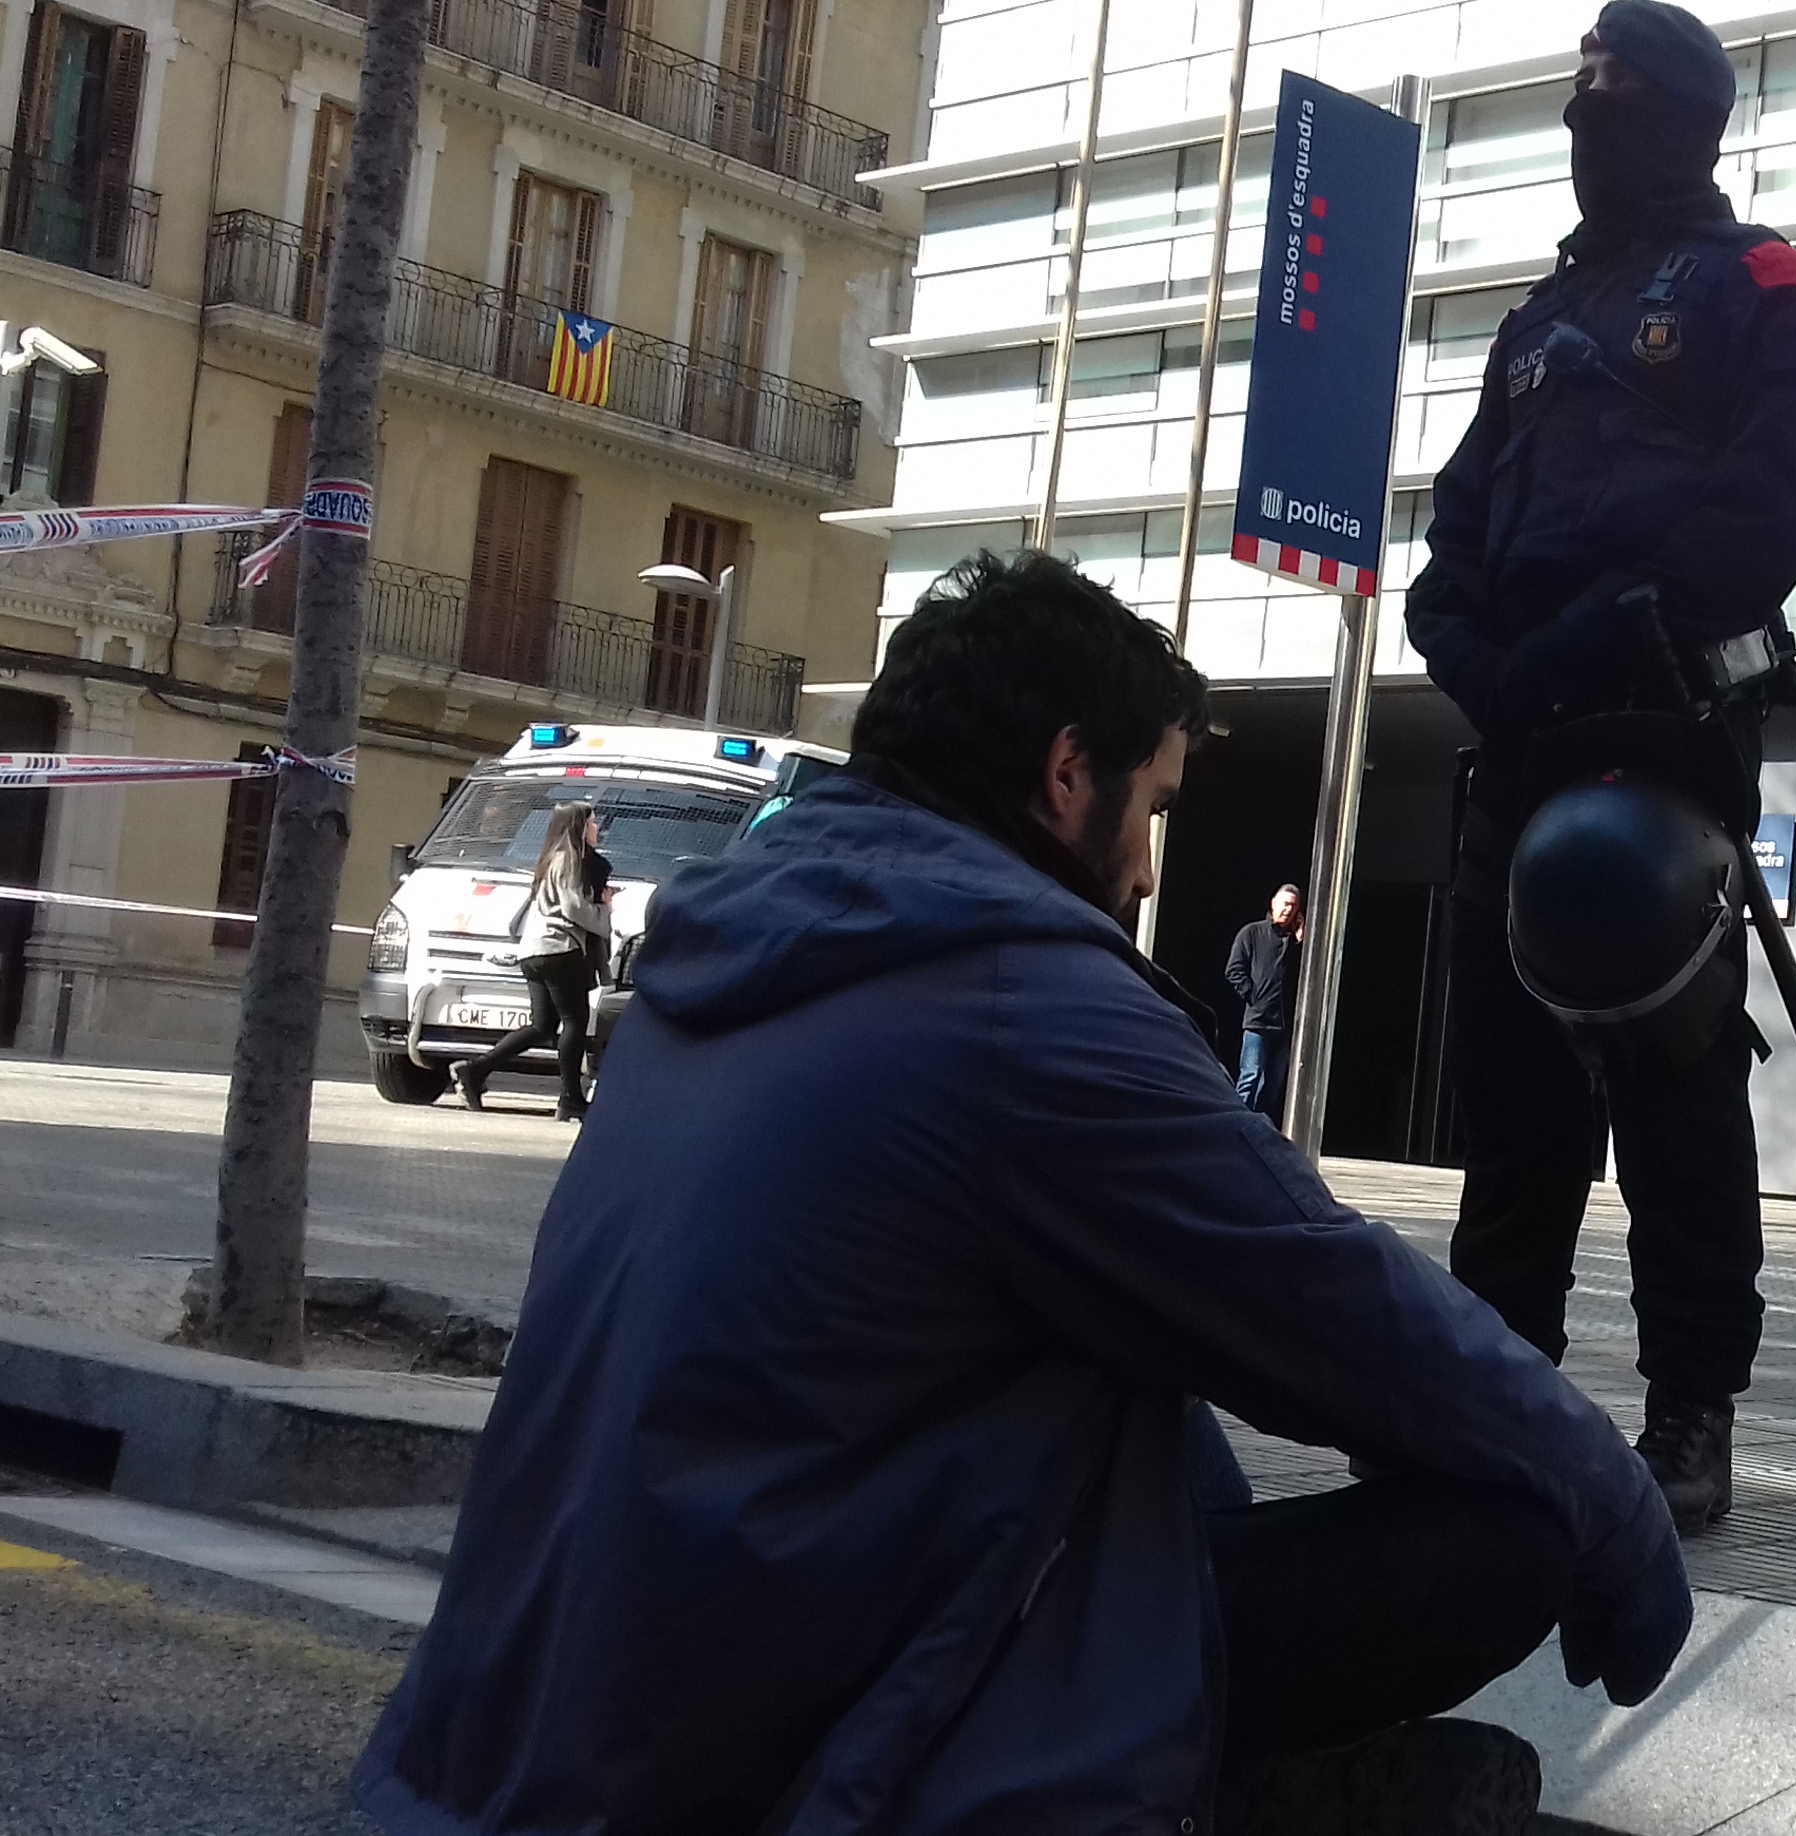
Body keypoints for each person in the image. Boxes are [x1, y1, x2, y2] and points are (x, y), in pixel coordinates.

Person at [355, 552, 1691, 1836]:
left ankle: (1213, 1778)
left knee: (1127, 1361)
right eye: (1152, 808)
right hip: (776, 1752)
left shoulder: (732, 958)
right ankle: (1211, 1801)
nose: (1149, 869)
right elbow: (1345, 1307)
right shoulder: (1025, 1008)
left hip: (538, 1720)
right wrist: (1621, 1514)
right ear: (1065, 773)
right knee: (1511, 1540)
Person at [1403, 0, 1796, 1536]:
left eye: (1610, 92)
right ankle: (1497, 1399)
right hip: (1520, 739)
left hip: (1661, 735)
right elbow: (1457, 539)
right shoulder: (1535, 326)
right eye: (1577, 90)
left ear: (1678, 112)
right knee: (1511, 1099)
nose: (1582, 118)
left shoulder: (1768, 289)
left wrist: (1612, 630)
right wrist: (1480, 660)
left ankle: (1691, 1416)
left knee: (1675, 1093)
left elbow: (1772, 510)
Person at [456, 804, 610, 1121]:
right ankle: (570, 1098)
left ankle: (474, 1070)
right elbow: (573, 907)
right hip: (560, 949)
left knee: (542, 1026)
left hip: (534, 950)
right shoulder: (569, 858)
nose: (597, 829)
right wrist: (604, 910)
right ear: (578, 827)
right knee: (575, 1022)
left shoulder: (549, 857)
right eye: (593, 823)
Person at [1226, 883, 1305, 1117]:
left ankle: (1261, 1127)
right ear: (1273, 904)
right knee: (1250, 1077)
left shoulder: (1294, 942)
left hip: (1284, 1025)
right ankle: (1238, 1123)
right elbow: (1233, 970)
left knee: (1273, 1085)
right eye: (1285, 904)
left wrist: (1300, 940)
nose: (1288, 909)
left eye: (1293, 906)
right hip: (1258, 1021)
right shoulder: (1252, 933)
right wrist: (1254, 996)